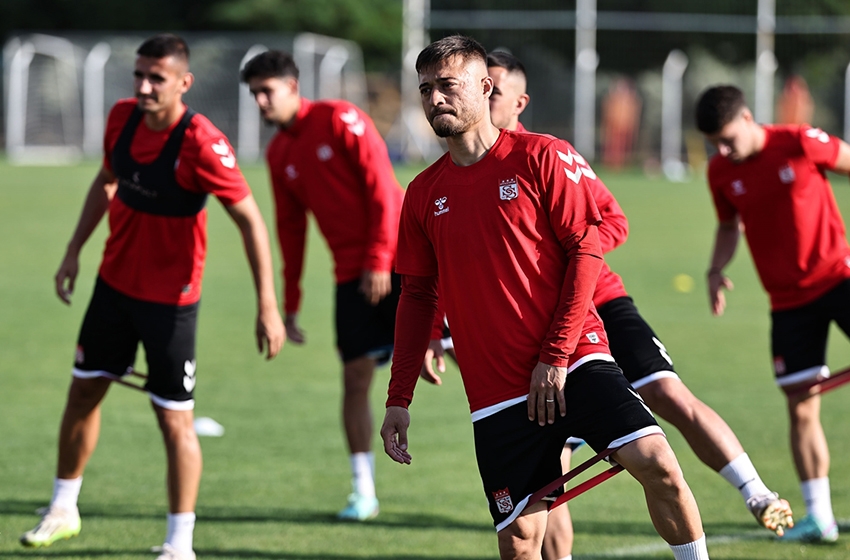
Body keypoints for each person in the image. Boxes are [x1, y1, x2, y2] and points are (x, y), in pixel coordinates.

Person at [422, 51, 792, 560]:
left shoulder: (546, 155)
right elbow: (449, 267)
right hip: (527, 334)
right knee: (546, 469)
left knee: (665, 394)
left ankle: (757, 492)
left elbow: (609, 222)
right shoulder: (448, 180)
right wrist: (436, 329)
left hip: (597, 306)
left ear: (511, 100)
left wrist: (553, 256)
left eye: (496, 91)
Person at [382, 35, 710, 560]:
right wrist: (398, 399)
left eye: (447, 84)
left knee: (658, 463)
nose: (435, 98)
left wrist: (554, 357)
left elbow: (587, 252)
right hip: (495, 392)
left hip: (574, 359)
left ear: (485, 87)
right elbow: (417, 295)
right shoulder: (422, 193)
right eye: (425, 89)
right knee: (519, 540)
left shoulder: (542, 155)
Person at [19, 34, 285, 560]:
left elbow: (251, 221)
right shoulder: (121, 118)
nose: (143, 86)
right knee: (82, 394)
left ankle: (179, 545)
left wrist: (267, 305)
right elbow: (107, 179)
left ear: (183, 83)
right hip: (113, 287)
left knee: (174, 420)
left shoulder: (202, 143)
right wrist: (73, 250)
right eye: (139, 75)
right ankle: (63, 509)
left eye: (156, 78)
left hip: (171, 303)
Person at [240, 50, 404, 521]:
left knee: (464, 356)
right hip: (349, 276)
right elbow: (290, 231)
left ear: (293, 87)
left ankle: (543, 436)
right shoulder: (278, 153)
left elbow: (381, 186)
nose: (260, 101)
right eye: (254, 94)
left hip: (402, 261)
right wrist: (289, 303)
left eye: (267, 91)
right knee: (354, 379)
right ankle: (363, 492)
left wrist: (379, 258)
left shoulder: (339, 119)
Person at [697, 84, 850, 543]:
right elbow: (729, 225)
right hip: (787, 305)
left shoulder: (799, 141)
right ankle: (820, 518)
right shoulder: (720, 171)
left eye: (727, 140)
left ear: (747, 119)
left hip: (839, 279)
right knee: (801, 404)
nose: (722, 151)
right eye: (715, 144)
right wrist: (715, 269)